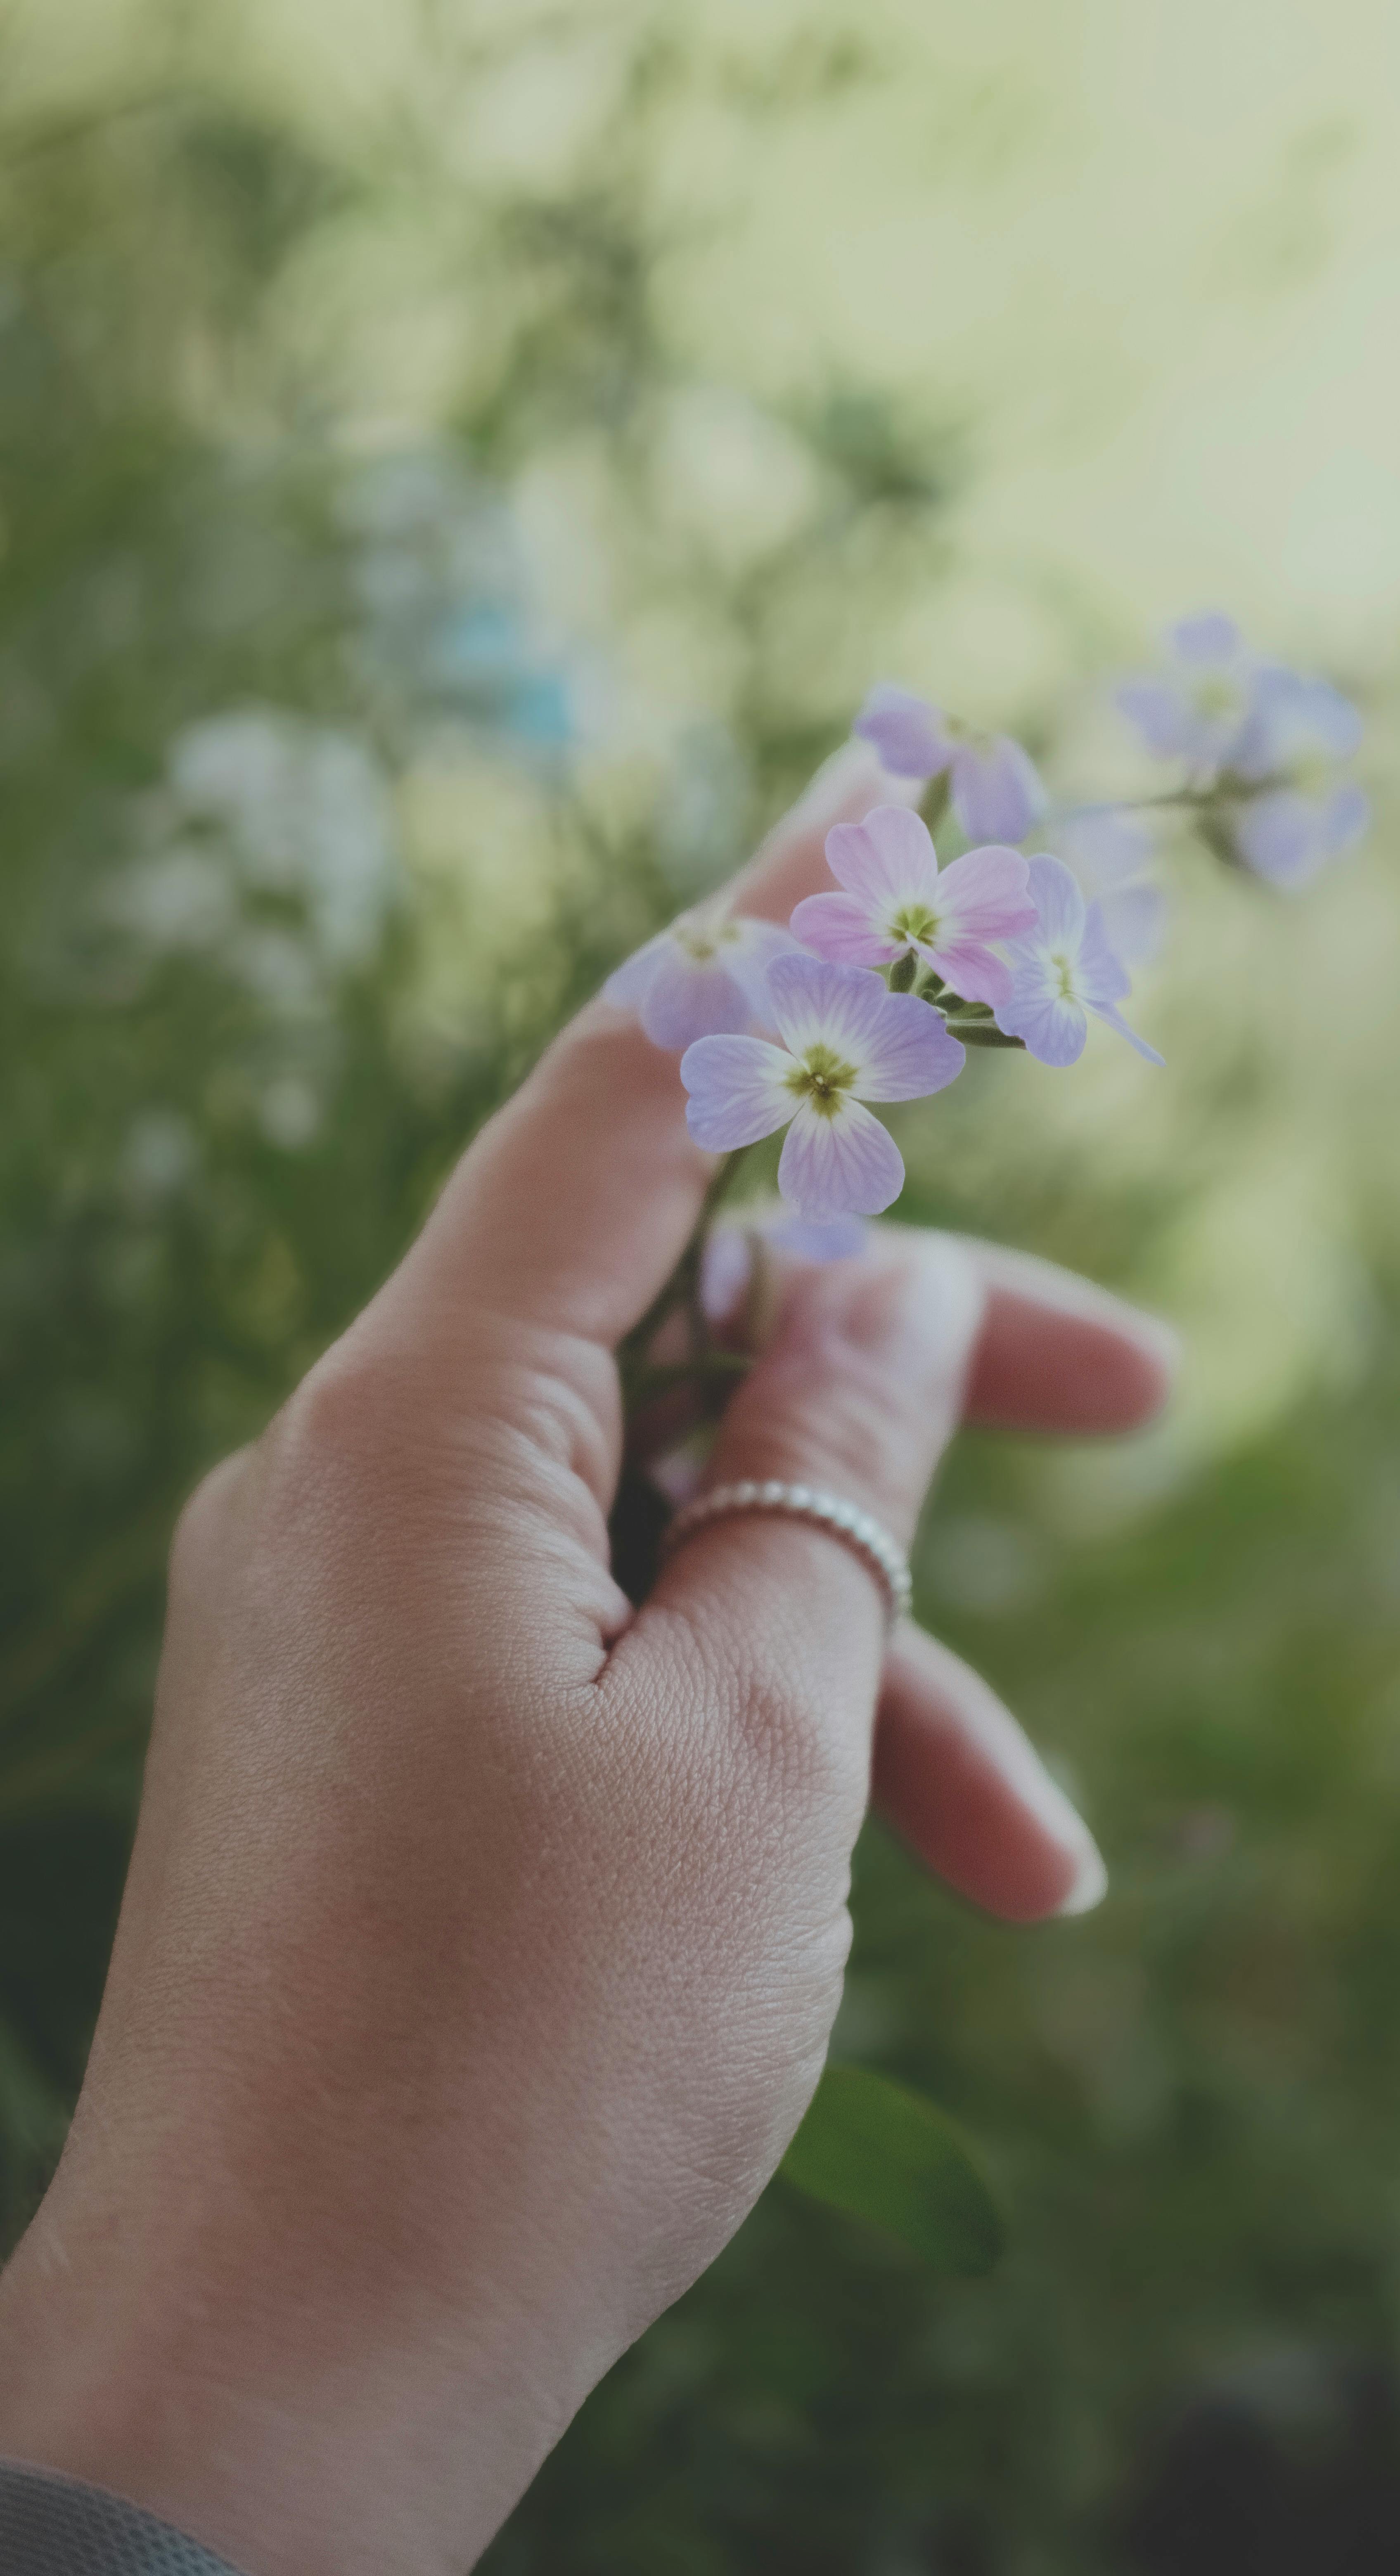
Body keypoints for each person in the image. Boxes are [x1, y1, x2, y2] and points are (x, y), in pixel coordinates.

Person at [0, 748, 1177, 2576]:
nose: (818, 1067)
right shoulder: (812, 1054)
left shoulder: (832, 1063)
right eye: (819, 1049)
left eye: (838, 1052)